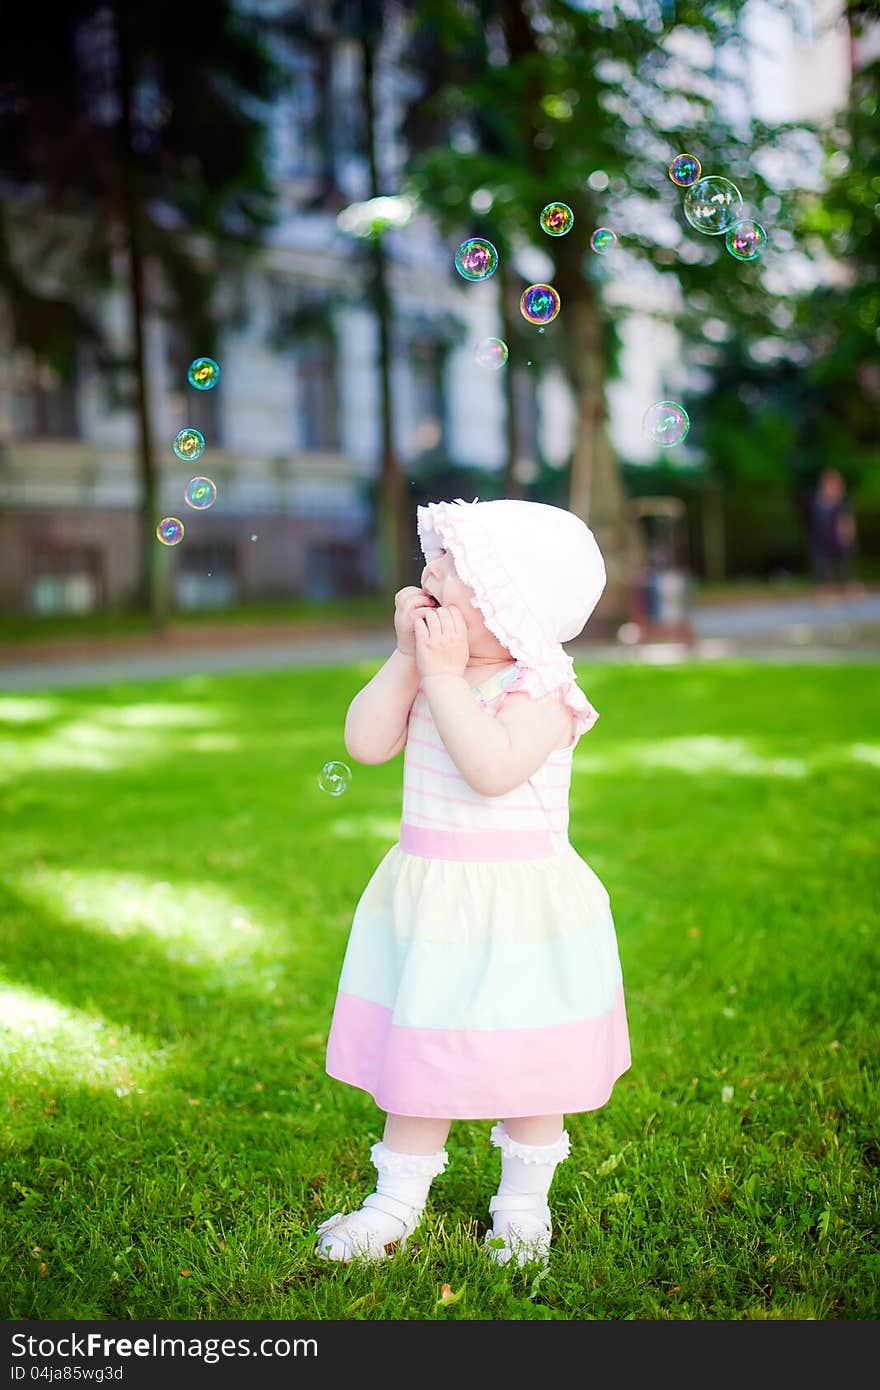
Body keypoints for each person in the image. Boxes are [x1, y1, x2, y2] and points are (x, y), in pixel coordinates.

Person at [315, 497, 631, 1268]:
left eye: (453, 568)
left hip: (521, 905)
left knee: (530, 1063)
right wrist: (405, 660)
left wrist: (445, 677)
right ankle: (395, 1200)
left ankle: (523, 1205)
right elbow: (363, 743)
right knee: (419, 1055)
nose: (430, 572)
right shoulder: (431, 674)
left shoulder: (543, 689)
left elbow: (491, 770)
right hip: (433, 901)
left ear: (505, 605)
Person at [809, 468, 861, 602]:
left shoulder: (842, 502)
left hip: (839, 541)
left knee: (845, 568)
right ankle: (824, 593)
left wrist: (848, 535)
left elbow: (846, 520)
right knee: (822, 569)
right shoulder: (818, 500)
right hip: (822, 541)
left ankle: (851, 592)